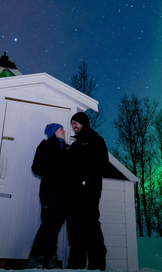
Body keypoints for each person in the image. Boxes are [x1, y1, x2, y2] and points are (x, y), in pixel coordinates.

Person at [67, 111, 109, 271]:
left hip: (90, 192)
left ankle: (97, 265)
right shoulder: (75, 145)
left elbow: (103, 164)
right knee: (76, 230)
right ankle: (75, 266)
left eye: (75, 122)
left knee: (91, 226)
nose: (73, 126)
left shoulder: (96, 141)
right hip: (75, 195)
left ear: (84, 122)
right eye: (72, 124)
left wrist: (88, 178)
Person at [28, 123, 69, 269]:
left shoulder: (66, 148)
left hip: (63, 194)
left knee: (55, 226)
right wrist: (53, 173)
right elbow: (36, 167)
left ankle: (48, 258)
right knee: (48, 224)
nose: (64, 131)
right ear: (53, 132)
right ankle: (35, 257)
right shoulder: (45, 146)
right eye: (61, 129)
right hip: (50, 191)